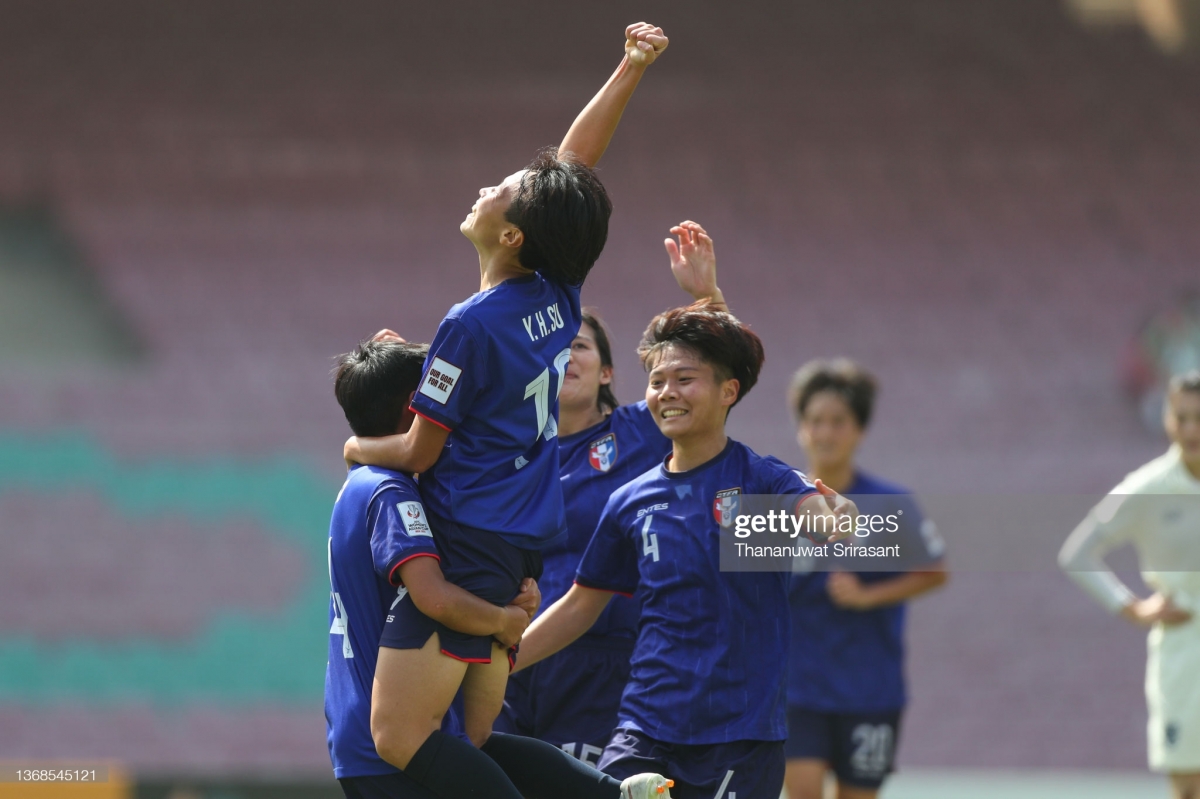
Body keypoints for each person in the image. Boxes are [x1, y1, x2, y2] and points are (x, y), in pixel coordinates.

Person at [341, 22, 673, 799]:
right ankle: (612, 796)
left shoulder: (469, 322)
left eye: (503, 190)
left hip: (469, 537)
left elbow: (420, 453)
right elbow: (573, 164)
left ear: (514, 232)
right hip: (523, 543)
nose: (488, 188)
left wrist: (361, 448)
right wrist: (629, 68)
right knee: (479, 735)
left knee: (397, 736)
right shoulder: (559, 297)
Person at [515, 300, 858, 799]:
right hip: (644, 727)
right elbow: (579, 606)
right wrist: (496, 663)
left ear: (728, 392)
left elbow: (823, 516)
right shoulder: (629, 501)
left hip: (740, 734)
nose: (666, 393)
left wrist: (837, 522)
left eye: (684, 380)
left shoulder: (760, 481)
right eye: (657, 381)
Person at [327, 337, 674, 799]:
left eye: (581, 346)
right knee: (479, 742)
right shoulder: (396, 489)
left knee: (481, 742)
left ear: (607, 371)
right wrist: (505, 620)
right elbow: (432, 596)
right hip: (409, 725)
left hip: (574, 671)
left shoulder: (375, 480)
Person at [497, 221, 727, 764]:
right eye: (554, 349)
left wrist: (705, 297)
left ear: (607, 372)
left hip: (605, 659)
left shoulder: (637, 430)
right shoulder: (507, 449)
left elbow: (703, 378)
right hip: (514, 654)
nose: (566, 358)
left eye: (579, 346)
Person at [781, 359, 947, 799]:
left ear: (859, 431)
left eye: (839, 422)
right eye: (816, 421)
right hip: (795, 688)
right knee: (803, 791)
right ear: (801, 429)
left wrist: (869, 596)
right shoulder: (776, 504)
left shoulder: (890, 503)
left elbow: (934, 571)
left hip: (870, 688)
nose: (826, 433)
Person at [1059, 371, 1200, 799]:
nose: (1192, 428)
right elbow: (1077, 554)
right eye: (1182, 417)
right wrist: (1133, 607)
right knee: (1189, 784)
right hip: (1183, 655)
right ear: (1167, 420)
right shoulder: (1145, 488)